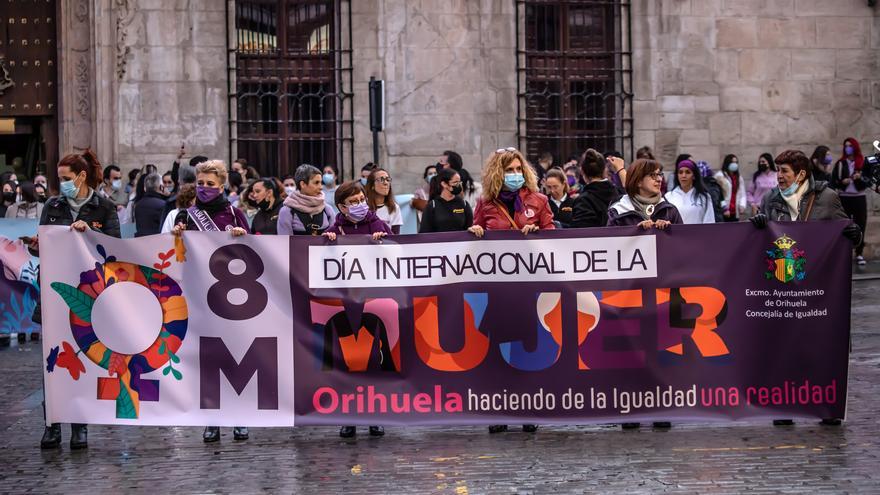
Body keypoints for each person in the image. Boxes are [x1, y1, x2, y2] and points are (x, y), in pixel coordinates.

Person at [751, 150, 860, 426]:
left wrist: (853, 235)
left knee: (820, 346)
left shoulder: (827, 198)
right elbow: (759, 245)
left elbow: (847, 233)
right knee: (782, 347)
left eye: (784, 170)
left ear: (800, 174)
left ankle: (827, 404)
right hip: (783, 286)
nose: (779, 176)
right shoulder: (771, 199)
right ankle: (783, 404)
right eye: (777, 170)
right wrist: (759, 227)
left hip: (817, 286)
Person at [38, 149, 121, 450]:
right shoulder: (53, 205)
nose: (62, 184)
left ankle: (79, 426)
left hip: (87, 298)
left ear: (82, 177)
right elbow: (45, 242)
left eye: (66, 178)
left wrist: (88, 236)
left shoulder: (104, 207)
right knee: (52, 363)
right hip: (53, 294)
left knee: (81, 362)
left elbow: (114, 249)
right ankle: (52, 426)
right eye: (60, 179)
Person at [470, 148, 553, 434]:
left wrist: (540, 234)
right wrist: (476, 232)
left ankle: (528, 407)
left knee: (526, 350)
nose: (515, 175)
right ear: (497, 173)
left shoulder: (539, 200)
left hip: (528, 288)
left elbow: (556, 237)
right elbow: (474, 235)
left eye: (519, 169)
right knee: (497, 351)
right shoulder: (485, 203)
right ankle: (499, 409)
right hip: (499, 288)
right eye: (509, 170)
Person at [171, 160, 249, 443]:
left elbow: (255, 252)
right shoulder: (186, 215)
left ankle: (240, 415)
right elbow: (173, 253)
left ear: (222, 185)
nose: (204, 188)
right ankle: (212, 418)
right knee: (208, 359)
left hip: (233, 297)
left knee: (236, 357)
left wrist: (243, 237)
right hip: (199, 295)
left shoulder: (234, 213)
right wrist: (178, 238)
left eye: (210, 184)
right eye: (200, 183)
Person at [608, 158, 683, 229]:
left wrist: (669, 230)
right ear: (638, 181)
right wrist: (636, 231)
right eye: (653, 175)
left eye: (660, 174)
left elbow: (682, 239)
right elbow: (611, 240)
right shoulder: (618, 211)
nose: (660, 179)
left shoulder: (669, 210)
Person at [830, 138, 868, 265]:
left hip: (859, 197)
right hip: (844, 197)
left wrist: (859, 178)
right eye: (846, 146)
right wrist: (842, 182)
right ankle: (843, 252)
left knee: (860, 224)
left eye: (850, 146)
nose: (848, 148)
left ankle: (859, 253)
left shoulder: (861, 162)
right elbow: (834, 180)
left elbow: (867, 182)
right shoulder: (841, 163)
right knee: (843, 224)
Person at [278, 164, 335, 236]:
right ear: (303, 184)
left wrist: (330, 237)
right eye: (316, 183)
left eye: (321, 182)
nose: (321, 187)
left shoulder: (327, 210)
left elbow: (335, 241)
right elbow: (284, 243)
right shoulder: (287, 211)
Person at [570, 149, 621, 228]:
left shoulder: (583, 201)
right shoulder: (619, 193)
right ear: (604, 170)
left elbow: (580, 234)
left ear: (582, 172)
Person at [418, 168, 473, 233]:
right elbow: (424, 233)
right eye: (455, 182)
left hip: (459, 242)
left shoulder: (464, 204)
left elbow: (469, 228)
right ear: (444, 184)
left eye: (459, 182)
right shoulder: (432, 206)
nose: (459, 185)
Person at [664, 160, 715, 224]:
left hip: (698, 233)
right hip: (676, 233)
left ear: (694, 176)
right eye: (680, 172)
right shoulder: (668, 197)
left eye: (688, 172)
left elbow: (709, 222)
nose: (683, 175)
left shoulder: (704, 197)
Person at [365, 168, 403, 234]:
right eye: (381, 179)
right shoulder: (363, 207)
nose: (386, 183)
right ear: (372, 186)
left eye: (388, 180)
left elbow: (396, 236)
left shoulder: (394, 207)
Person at [715, 154, 747, 222]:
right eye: (732, 162)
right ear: (727, 163)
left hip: (735, 212)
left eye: (736, 162)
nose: (734, 164)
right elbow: (717, 195)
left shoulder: (739, 177)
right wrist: (724, 209)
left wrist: (742, 205)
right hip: (723, 212)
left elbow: (742, 193)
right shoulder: (719, 176)